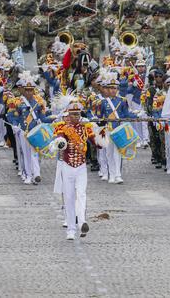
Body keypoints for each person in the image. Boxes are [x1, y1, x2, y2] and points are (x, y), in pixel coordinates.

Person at [52, 97, 109, 240]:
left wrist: (101, 129)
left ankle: (82, 221)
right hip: (67, 166)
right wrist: (60, 143)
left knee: (81, 194)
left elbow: (97, 144)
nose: (76, 116)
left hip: (81, 167)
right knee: (69, 198)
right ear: (68, 115)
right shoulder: (62, 127)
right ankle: (70, 229)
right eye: (73, 114)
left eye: (78, 114)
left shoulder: (86, 128)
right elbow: (59, 140)